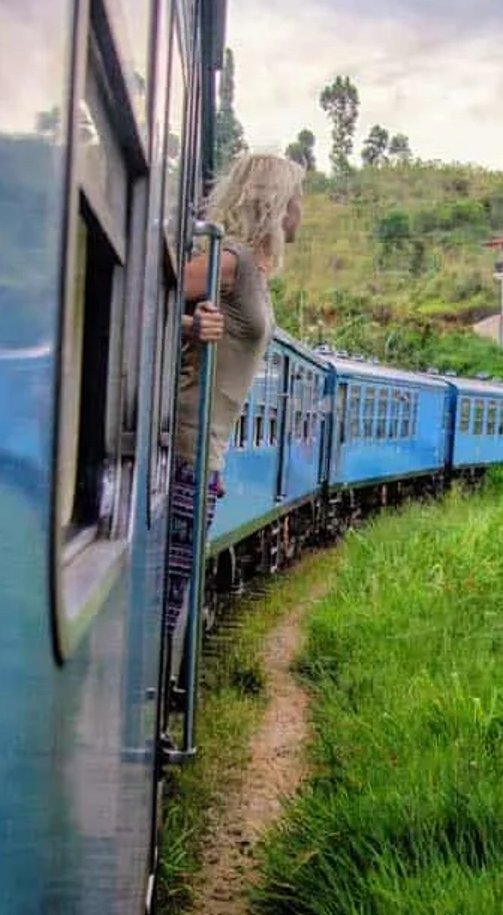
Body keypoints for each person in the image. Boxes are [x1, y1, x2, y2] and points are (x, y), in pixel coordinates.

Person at [166, 152, 305, 649]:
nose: (301, 213)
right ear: (275, 203)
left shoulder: (254, 273)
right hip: (188, 445)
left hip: (207, 452)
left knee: (176, 588)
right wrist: (188, 324)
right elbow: (144, 294)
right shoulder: (232, 262)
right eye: (296, 200)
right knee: (168, 597)